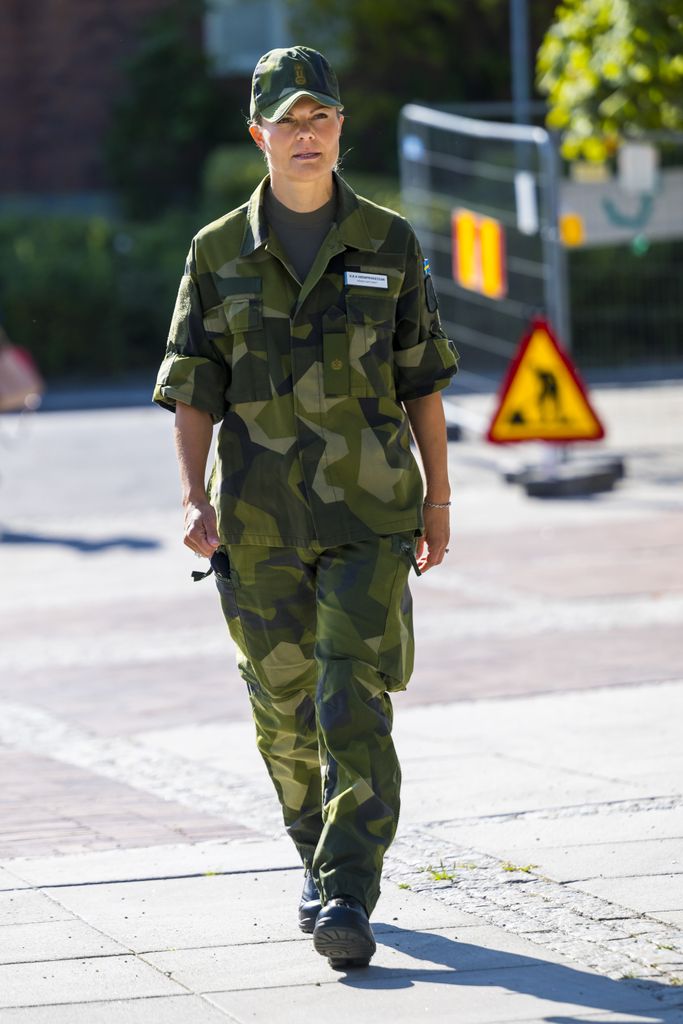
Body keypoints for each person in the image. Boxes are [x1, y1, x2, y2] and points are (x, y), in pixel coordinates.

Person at [153, 45, 458, 970]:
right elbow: (193, 388)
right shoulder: (215, 253)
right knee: (284, 713)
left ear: (339, 130)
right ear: (259, 135)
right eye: (287, 122)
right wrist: (190, 495)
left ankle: (349, 893)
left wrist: (438, 501)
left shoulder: (389, 242)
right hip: (254, 523)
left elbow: (422, 382)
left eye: (319, 118)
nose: (305, 136)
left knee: (349, 694)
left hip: (370, 516)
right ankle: (316, 863)